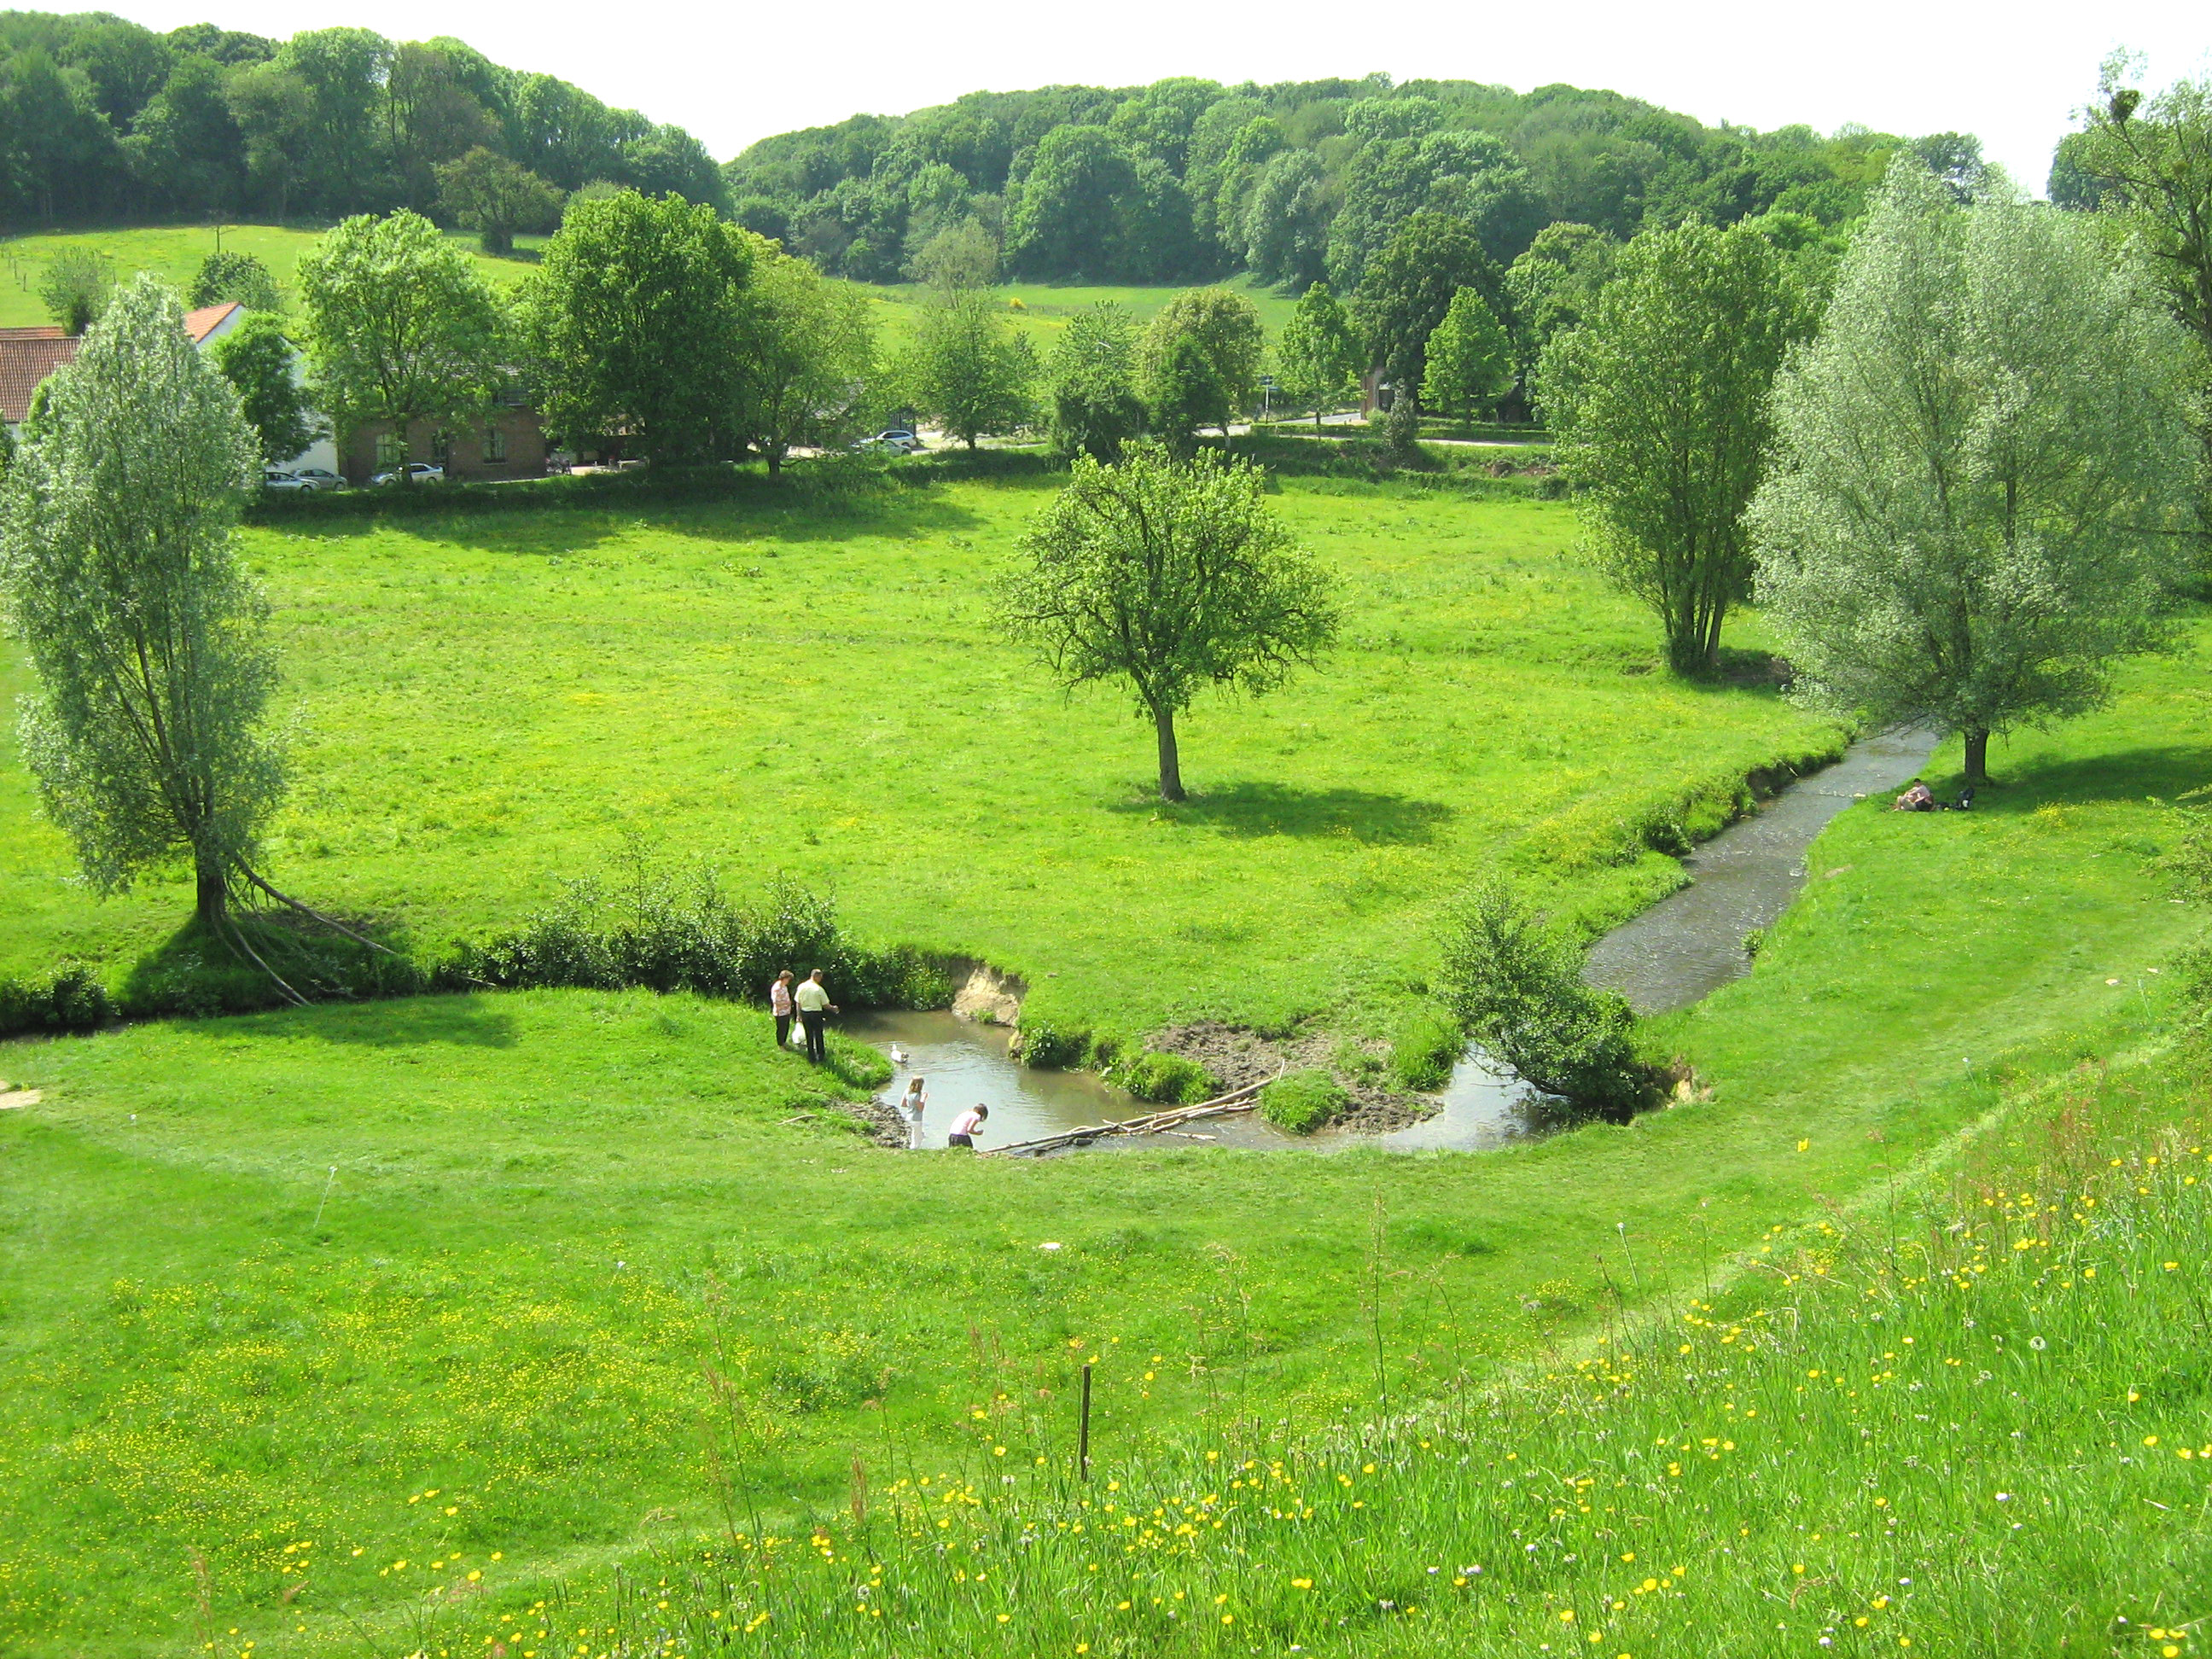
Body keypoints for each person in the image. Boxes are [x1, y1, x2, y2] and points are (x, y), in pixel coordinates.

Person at [794, 969, 837, 1063]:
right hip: (816, 1014)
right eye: (820, 977)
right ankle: (820, 1056)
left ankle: (811, 1057)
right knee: (818, 1034)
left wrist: (798, 1015)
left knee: (809, 1035)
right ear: (816, 977)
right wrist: (833, 1008)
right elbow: (825, 1005)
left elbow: (798, 1002)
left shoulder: (801, 986)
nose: (821, 979)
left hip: (805, 1013)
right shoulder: (819, 989)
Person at [897, 1075, 928, 1149]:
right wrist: (923, 1099)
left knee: (914, 1135)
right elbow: (920, 1108)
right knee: (916, 1139)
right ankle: (914, 1150)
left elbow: (903, 1104)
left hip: (909, 1116)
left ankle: (911, 1147)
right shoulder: (917, 1095)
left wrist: (911, 1106)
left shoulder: (907, 1091)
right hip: (916, 1118)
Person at [769, 969, 795, 1051]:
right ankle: (780, 1044)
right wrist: (786, 1003)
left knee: (786, 1028)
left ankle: (784, 1042)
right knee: (781, 1028)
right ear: (784, 978)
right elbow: (776, 1001)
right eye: (788, 979)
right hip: (780, 1012)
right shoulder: (777, 988)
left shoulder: (784, 986)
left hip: (786, 1011)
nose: (789, 981)